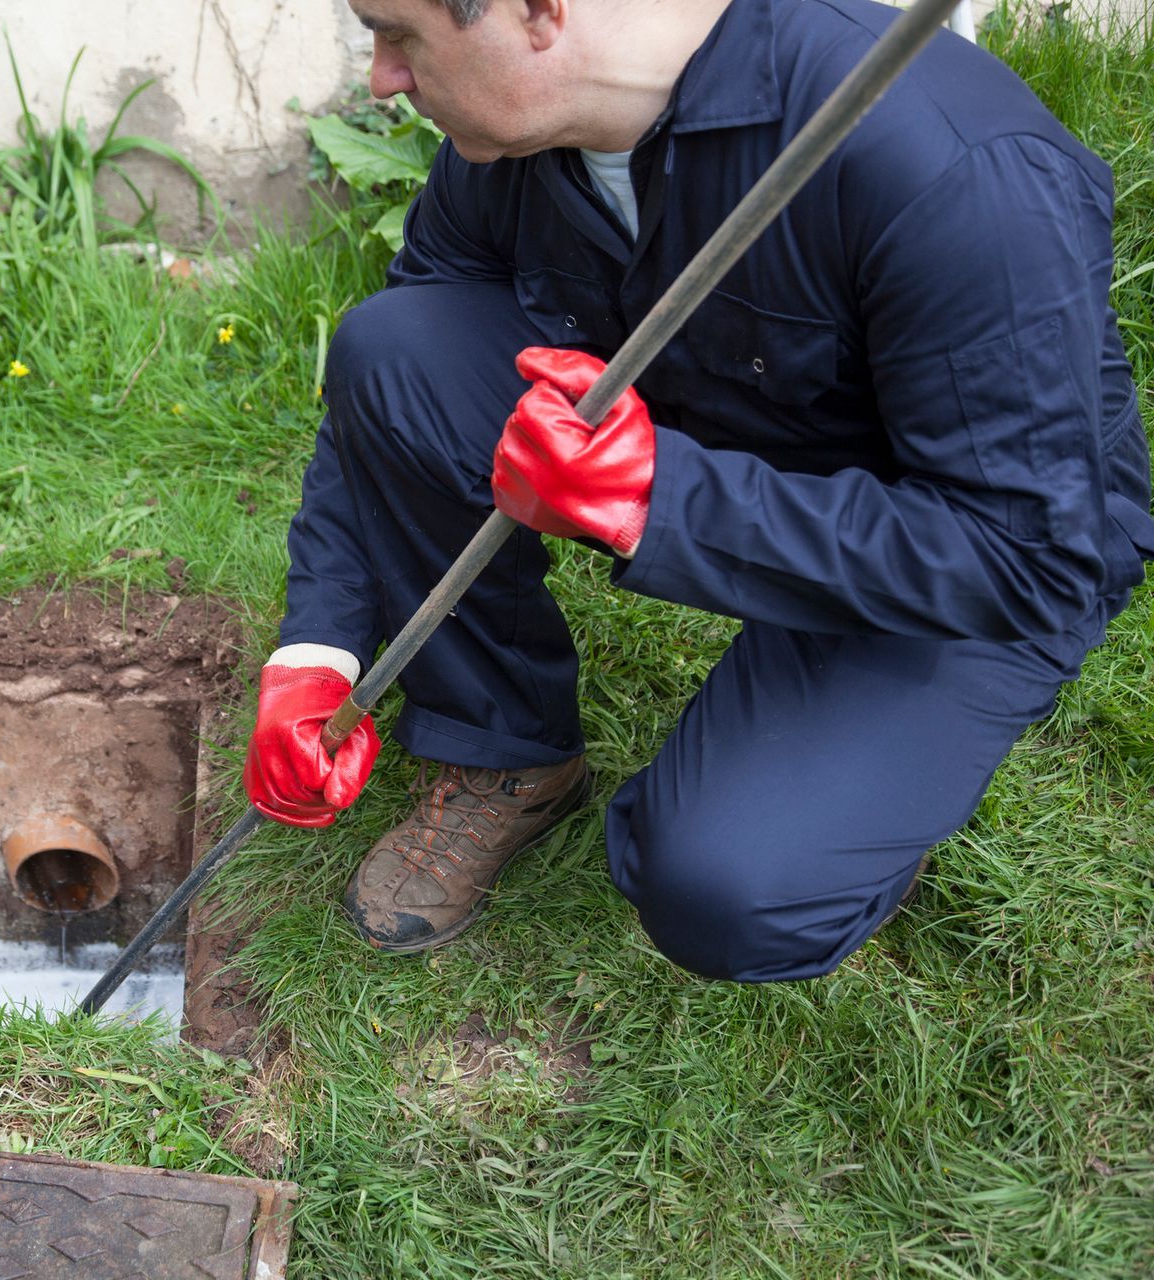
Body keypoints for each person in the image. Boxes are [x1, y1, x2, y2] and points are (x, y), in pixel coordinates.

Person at [244, 0, 1154, 981]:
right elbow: (391, 382)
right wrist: (319, 647)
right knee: (396, 346)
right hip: (720, 427)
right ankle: (503, 749)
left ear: (539, 11)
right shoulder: (510, 145)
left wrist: (657, 498)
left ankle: (857, 784)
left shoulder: (945, 161)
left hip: (963, 547)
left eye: (400, 34)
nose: (381, 75)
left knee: (728, 883)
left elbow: (1029, 558)